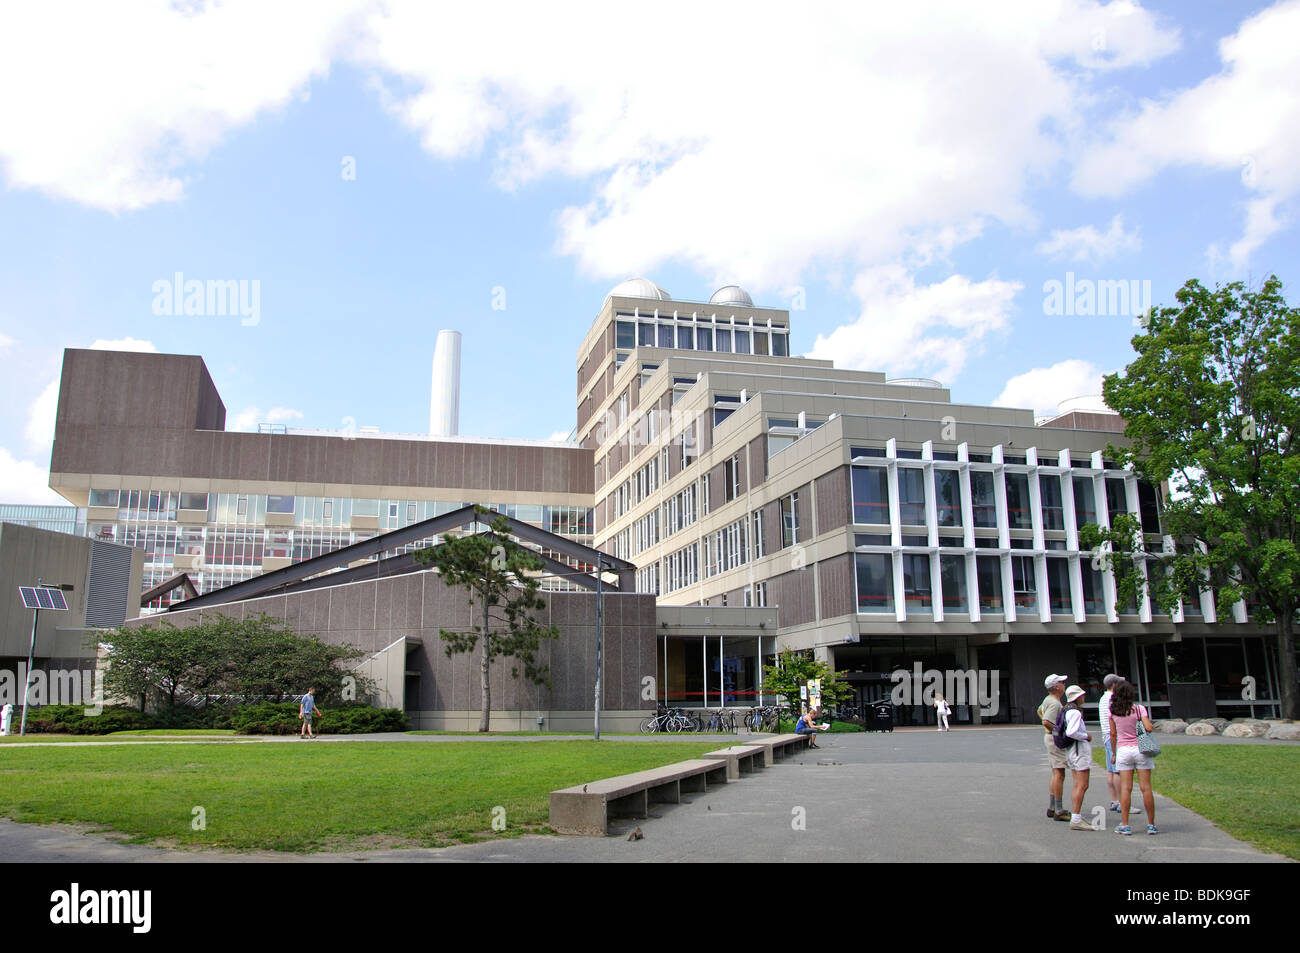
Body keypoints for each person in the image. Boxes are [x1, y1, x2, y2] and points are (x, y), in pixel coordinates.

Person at [1108, 680, 1157, 835]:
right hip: (1140, 749)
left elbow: (1113, 734)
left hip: (1123, 750)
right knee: (1146, 788)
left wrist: (1114, 753)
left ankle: (1125, 824)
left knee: (1125, 788)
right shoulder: (1138, 709)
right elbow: (1149, 727)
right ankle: (1151, 825)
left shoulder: (1113, 711)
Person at [1037, 674, 1070, 821]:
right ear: (1056, 687)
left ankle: (1052, 807)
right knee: (1059, 774)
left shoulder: (1048, 700)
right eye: (1062, 682)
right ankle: (1058, 809)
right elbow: (1045, 721)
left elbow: (1039, 711)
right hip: (1054, 739)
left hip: (1049, 738)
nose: (1064, 684)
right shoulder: (1055, 703)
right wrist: (1059, 731)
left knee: (1056, 772)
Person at [1062, 685, 1094, 831]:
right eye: (1082, 695)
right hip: (1079, 750)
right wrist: (1085, 736)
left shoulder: (1066, 710)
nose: (1084, 697)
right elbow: (1072, 732)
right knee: (1082, 784)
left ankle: (1077, 815)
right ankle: (1076, 817)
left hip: (1072, 751)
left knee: (1077, 784)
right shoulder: (1074, 712)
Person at [1098, 674, 1125, 813]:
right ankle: (1122, 802)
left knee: (1110, 769)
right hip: (1113, 736)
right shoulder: (1112, 698)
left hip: (1106, 736)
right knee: (1117, 771)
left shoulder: (1103, 698)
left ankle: (1114, 800)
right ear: (1114, 685)